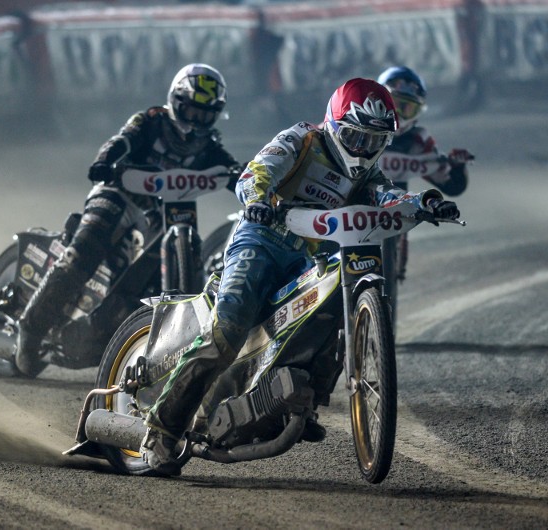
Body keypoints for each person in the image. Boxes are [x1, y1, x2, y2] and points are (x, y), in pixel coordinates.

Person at [140, 77, 460, 476]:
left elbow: (387, 196)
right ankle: (161, 429)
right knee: (227, 332)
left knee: (329, 320)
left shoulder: (367, 174)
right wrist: (257, 200)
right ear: (333, 123)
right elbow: (255, 173)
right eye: (354, 137)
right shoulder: (301, 139)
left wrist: (426, 203)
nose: (362, 150)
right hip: (259, 241)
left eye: (373, 142)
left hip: (306, 256)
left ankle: (300, 401)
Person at [15, 63, 240, 376]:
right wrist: (105, 160)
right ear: (176, 102)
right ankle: (32, 327)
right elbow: (121, 140)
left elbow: (236, 174)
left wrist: (251, 185)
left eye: (206, 114)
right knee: (85, 249)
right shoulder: (150, 121)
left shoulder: (210, 147)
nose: (197, 121)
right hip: (118, 194)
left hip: (164, 212)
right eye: (192, 111)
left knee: (180, 263)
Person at [377, 65, 473, 280]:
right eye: (394, 104)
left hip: (395, 212)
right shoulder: (357, 125)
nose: (399, 115)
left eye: (407, 108)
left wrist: (457, 166)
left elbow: (451, 185)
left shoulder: (419, 141)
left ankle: (395, 267)